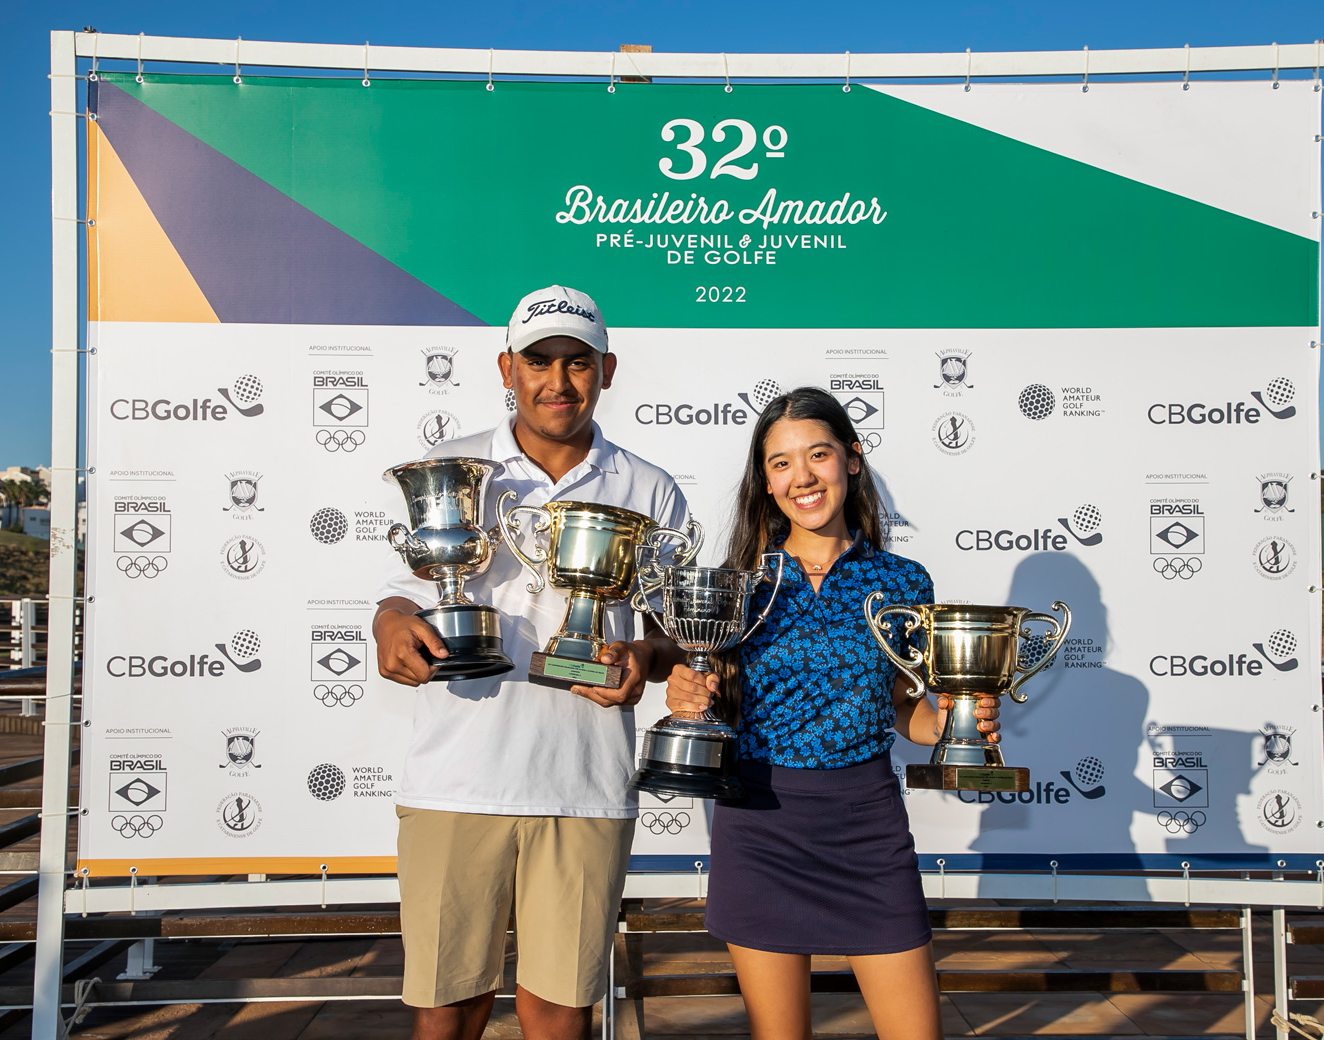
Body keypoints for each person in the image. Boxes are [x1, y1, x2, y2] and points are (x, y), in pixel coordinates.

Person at [373, 285, 688, 1040]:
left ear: (606, 371)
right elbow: (398, 593)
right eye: (539, 361)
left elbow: (673, 630)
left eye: (577, 363)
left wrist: (643, 656)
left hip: (583, 784)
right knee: (447, 1008)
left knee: (559, 1010)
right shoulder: (454, 468)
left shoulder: (649, 487)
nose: (558, 381)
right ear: (506, 367)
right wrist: (389, 626)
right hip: (458, 779)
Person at [664, 387, 950, 1040]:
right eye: (782, 463)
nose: (803, 477)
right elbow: (700, 681)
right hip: (761, 826)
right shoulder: (741, 582)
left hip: (866, 823)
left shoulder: (905, 582)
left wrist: (956, 721)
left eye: (817, 455)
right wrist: (685, 693)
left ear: (851, 460)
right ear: (765, 483)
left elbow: (907, 708)